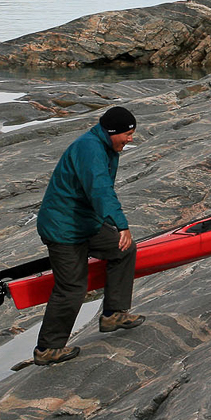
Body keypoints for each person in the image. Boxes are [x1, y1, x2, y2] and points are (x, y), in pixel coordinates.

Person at [33, 105, 144, 365]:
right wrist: (121, 224)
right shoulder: (90, 148)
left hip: (85, 224)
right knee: (71, 287)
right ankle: (47, 349)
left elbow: (97, 193)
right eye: (127, 134)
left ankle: (113, 314)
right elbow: (100, 190)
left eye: (132, 134)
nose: (130, 139)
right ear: (111, 131)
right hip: (63, 228)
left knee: (123, 250)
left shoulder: (105, 146)